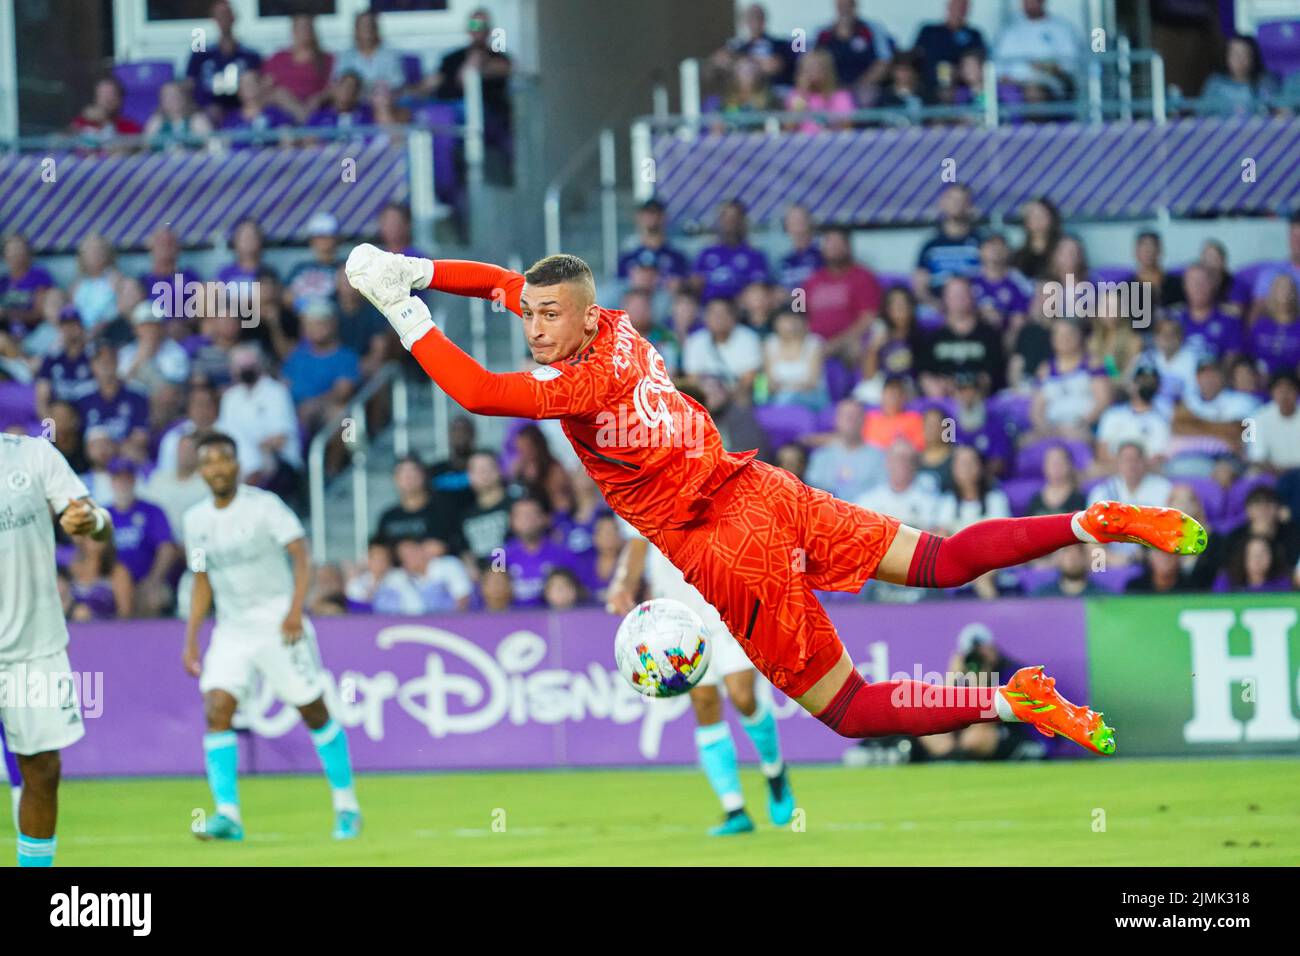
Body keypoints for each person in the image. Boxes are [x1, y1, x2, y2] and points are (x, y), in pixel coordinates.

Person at [344, 245, 1211, 756]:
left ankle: (1008, 701)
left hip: (727, 546)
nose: (531, 328)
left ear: (581, 319)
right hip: (764, 486)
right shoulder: (612, 326)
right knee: (938, 560)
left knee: (847, 710)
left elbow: (482, 396)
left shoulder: (582, 384)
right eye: (527, 314)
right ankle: (1094, 521)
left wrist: (403, 312)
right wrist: (417, 268)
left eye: (544, 319)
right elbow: (503, 282)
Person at [182, 432, 361, 842]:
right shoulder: (195, 521)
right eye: (207, 462)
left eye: (223, 459)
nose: (216, 468)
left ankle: (347, 805)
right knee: (217, 708)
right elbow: (201, 578)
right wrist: (191, 637)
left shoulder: (265, 507)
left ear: (236, 464)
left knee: (312, 710)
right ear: (201, 470)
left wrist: (296, 609)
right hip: (231, 629)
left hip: (279, 622)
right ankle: (227, 814)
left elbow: (300, 554)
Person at [608, 531, 794, 835]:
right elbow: (637, 546)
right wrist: (623, 586)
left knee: (742, 697)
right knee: (705, 705)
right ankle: (735, 809)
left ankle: (775, 771)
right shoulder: (645, 494)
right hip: (678, 623)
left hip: (731, 606)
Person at [0, 433, 114, 866]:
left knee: (42, 770)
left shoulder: (33, 454)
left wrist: (89, 520)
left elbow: (97, 520)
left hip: (34, 647)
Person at [186, 0, 263, 120]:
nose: (224, 19)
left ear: (234, 17)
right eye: (220, 15)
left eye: (227, 14)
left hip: (242, 112)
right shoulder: (200, 55)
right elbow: (189, 86)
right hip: (207, 112)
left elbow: (259, 88)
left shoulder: (250, 56)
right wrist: (200, 108)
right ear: (214, 19)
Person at [913, 0, 987, 97]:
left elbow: (980, 62)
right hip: (928, 86)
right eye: (955, 6)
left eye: (962, 7)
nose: (958, 11)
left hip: (962, 91)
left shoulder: (974, 35)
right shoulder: (929, 31)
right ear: (948, 7)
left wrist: (957, 72)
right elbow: (916, 56)